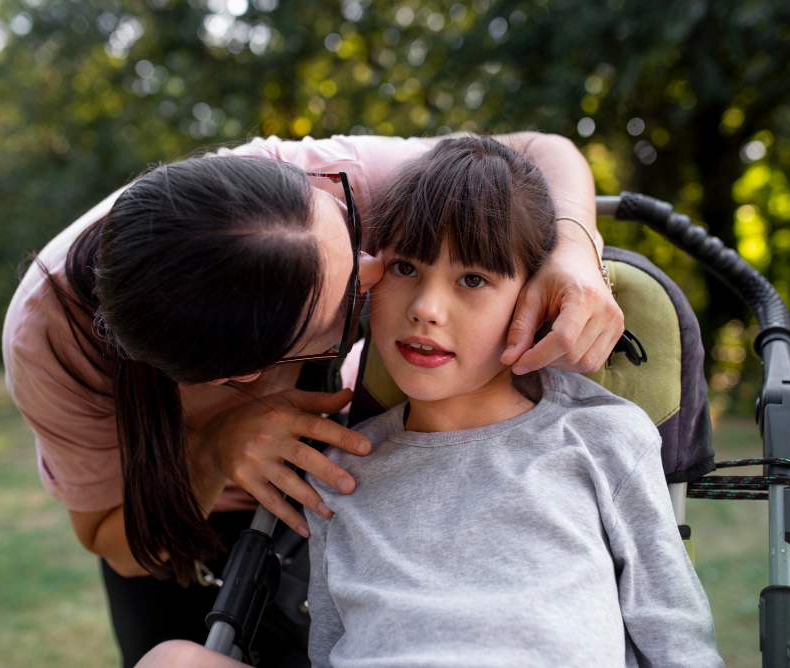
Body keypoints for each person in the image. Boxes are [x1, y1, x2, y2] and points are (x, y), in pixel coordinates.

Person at [2, 132, 624, 667]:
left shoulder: (312, 187)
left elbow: (540, 150)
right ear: (253, 373)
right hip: (178, 524)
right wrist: (216, 452)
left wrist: (575, 245)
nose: (381, 270)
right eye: (353, 293)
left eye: (352, 232)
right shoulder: (48, 342)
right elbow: (110, 536)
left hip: (327, 480)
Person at [302, 137, 724, 667]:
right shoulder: (337, 474)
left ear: (535, 299)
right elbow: (326, 648)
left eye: (472, 279)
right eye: (405, 268)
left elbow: (676, 638)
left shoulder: (602, 438)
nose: (427, 309)